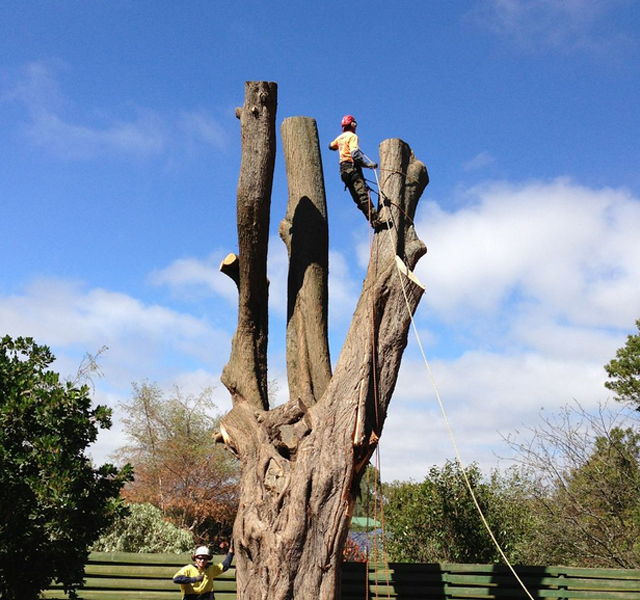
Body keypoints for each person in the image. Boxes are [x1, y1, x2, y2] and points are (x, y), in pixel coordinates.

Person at [329, 114, 382, 227]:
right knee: (363, 196)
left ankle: (371, 220)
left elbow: (331, 146)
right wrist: (368, 165)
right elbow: (356, 155)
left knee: (358, 200)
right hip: (353, 169)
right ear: (353, 124)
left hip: (343, 172)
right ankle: (375, 219)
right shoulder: (353, 137)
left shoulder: (339, 138)